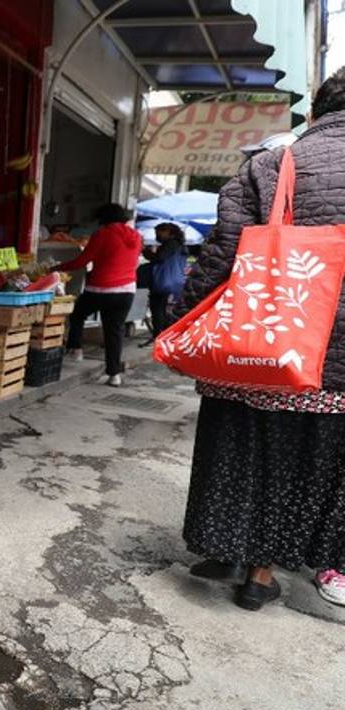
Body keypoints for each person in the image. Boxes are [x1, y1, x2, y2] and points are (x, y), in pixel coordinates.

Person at [177, 69, 345, 611]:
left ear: (315, 113)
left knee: (240, 449)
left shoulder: (274, 163)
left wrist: (181, 318)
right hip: (335, 364)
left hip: (260, 340)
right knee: (308, 462)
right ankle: (263, 573)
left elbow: (222, 255)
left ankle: (230, 550)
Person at [54, 203, 143, 386]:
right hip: (126, 290)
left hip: (101, 288)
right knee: (114, 332)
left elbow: (82, 261)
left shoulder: (103, 234)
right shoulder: (136, 236)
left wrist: (56, 268)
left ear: (104, 218)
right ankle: (114, 375)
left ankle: (75, 349)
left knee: (77, 314)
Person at [141, 222, 186, 341]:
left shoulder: (171, 243)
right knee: (163, 307)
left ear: (167, 232)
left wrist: (146, 251)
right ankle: (164, 334)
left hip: (163, 280)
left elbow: (159, 259)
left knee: (157, 307)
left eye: (159, 232)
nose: (157, 235)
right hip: (175, 280)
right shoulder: (180, 244)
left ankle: (158, 335)